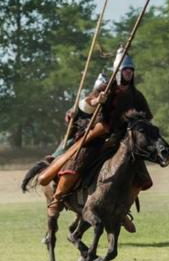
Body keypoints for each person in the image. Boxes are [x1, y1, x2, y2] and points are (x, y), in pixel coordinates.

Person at [47, 52, 153, 234]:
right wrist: (98, 100)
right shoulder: (107, 88)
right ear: (118, 72)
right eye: (125, 70)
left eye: (131, 70)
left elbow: (147, 117)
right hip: (101, 137)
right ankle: (57, 199)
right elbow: (85, 103)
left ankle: (123, 211)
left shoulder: (137, 96)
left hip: (124, 141)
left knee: (142, 179)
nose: (128, 73)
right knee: (77, 164)